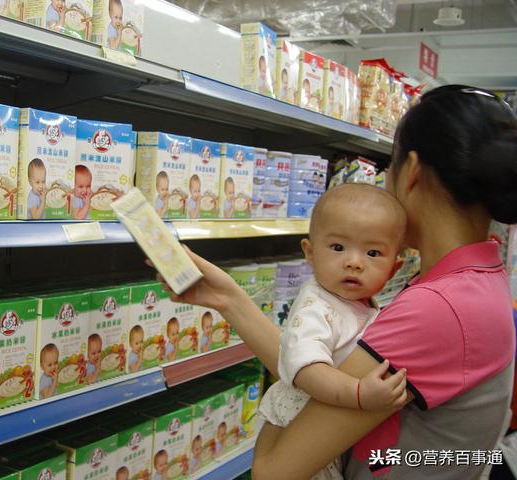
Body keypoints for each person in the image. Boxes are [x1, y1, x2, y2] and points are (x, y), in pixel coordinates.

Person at [152, 85, 517, 479]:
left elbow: (274, 469)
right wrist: (229, 299)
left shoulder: (440, 308)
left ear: (410, 172)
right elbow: (322, 366)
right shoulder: (476, 282)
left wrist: (283, 406)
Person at [257, 183, 408, 479]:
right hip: (299, 423)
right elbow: (307, 370)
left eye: (373, 252)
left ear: (394, 267)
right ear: (310, 252)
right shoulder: (316, 306)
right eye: (338, 247)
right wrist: (359, 393)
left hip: (329, 418)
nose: (354, 262)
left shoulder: (360, 303)